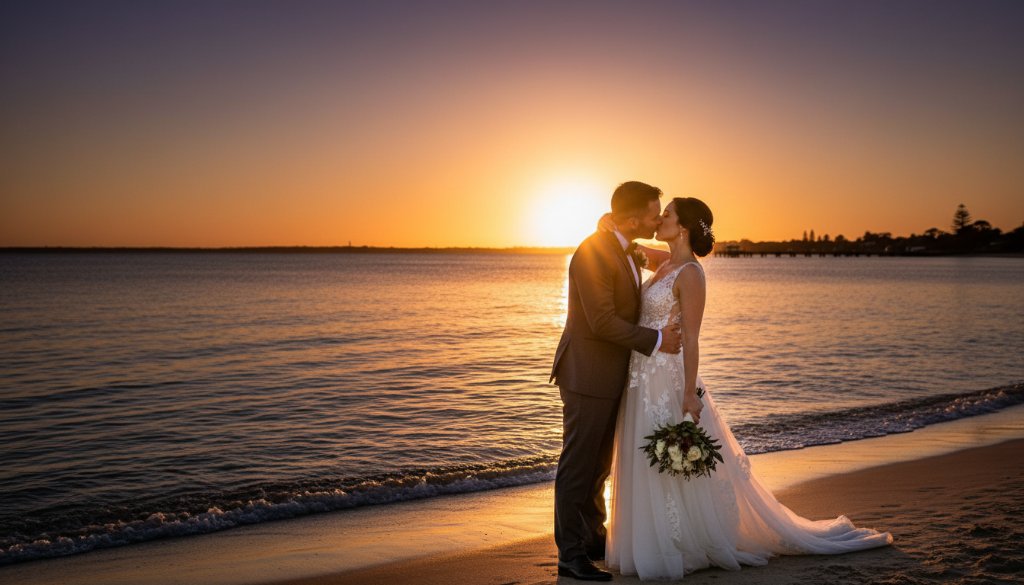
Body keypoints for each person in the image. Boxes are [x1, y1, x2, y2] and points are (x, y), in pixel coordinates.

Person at [605, 197, 893, 580]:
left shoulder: (691, 273)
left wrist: (689, 393)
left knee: (671, 461)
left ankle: (680, 542)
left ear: (684, 226)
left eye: (668, 214)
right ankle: (651, 540)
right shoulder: (666, 262)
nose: (660, 218)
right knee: (647, 457)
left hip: (669, 378)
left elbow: (692, 339)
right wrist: (611, 225)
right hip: (641, 377)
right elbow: (631, 245)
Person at [550, 181, 684, 581]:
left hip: (609, 375)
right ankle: (569, 555)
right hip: (587, 373)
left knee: (599, 466)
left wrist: (681, 253)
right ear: (631, 218)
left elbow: (667, 257)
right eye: (653, 213)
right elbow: (602, 321)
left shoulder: (623, 245)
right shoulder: (594, 252)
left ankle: (593, 538)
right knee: (578, 465)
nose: (659, 218)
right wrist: (658, 340)